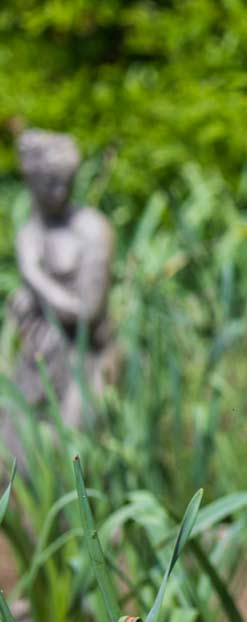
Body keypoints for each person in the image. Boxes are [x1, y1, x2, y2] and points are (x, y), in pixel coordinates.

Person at [3, 130, 115, 463]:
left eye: (66, 181)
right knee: (13, 456)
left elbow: (86, 312)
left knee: (66, 456)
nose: (60, 191)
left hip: (84, 359)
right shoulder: (32, 228)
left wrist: (32, 275)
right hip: (38, 357)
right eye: (49, 183)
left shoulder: (92, 228)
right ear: (31, 181)